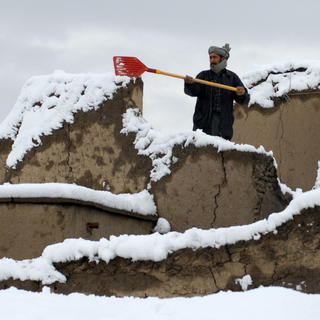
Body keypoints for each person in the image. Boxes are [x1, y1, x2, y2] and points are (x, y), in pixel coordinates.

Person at [184, 44, 249, 140]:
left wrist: (242, 93)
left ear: (222, 59)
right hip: (204, 123)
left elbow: (244, 100)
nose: (211, 60)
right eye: (210, 57)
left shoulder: (231, 77)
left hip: (223, 125)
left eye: (214, 57)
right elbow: (193, 91)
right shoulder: (203, 76)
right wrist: (189, 84)